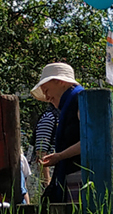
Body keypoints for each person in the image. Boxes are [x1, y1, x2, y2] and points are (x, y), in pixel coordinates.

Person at [33, 62, 84, 204]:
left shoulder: (81, 99)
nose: (46, 97)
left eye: (46, 90)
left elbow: (91, 140)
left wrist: (60, 156)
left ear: (60, 82)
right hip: (73, 174)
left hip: (84, 176)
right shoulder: (70, 103)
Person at [32, 105, 58, 188]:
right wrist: (47, 183)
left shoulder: (62, 117)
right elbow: (41, 152)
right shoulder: (49, 117)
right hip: (49, 173)